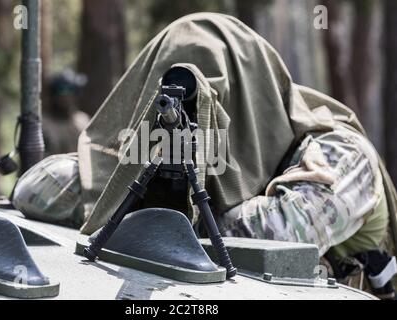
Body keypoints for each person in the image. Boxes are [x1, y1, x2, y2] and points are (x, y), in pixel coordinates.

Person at [76, 13, 397, 298]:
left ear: (247, 97)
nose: (197, 119)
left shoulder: (342, 153)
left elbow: (270, 237)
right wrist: (122, 174)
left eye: (208, 105)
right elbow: (36, 189)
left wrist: (131, 208)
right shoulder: (170, 144)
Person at [43, 70, 89, 156]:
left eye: (71, 90)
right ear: (54, 94)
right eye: (61, 90)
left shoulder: (83, 120)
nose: (66, 95)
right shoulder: (44, 125)